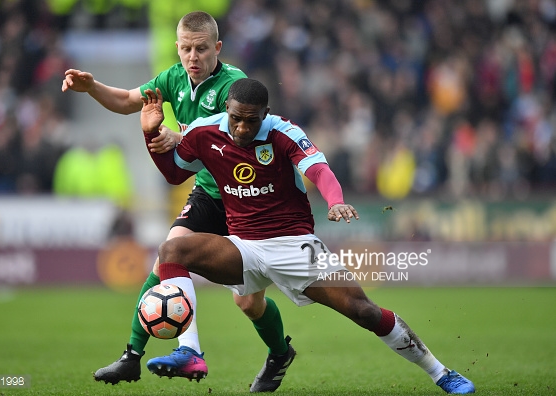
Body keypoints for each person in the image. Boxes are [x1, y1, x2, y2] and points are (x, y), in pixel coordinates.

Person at [139, 78, 476, 394]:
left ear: (265, 115)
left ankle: (441, 373)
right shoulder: (204, 132)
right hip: (242, 246)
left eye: (251, 120)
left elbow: (318, 169)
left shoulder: (283, 132)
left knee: (364, 312)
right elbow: (174, 173)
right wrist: (149, 133)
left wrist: (336, 201)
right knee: (172, 251)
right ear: (227, 107)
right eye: (236, 118)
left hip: (292, 245)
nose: (242, 128)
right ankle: (190, 351)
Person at [61, 12, 295, 390]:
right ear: (177, 48)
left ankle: (280, 354)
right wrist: (92, 87)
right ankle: (139, 356)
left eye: (201, 49)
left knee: (248, 304)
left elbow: (228, 136)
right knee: (168, 254)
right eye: (186, 49)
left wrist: (178, 134)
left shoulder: (233, 85)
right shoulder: (172, 78)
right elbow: (125, 101)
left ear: (217, 48)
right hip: (209, 192)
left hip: (244, 196)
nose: (193, 57)